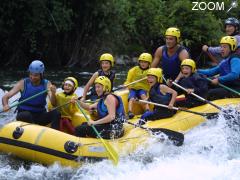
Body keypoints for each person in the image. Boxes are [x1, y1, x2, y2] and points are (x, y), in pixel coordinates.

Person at [2, 60, 60, 129]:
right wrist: (5, 105)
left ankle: (53, 134)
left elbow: (54, 104)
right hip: (24, 115)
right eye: (31, 74)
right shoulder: (23, 83)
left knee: (56, 113)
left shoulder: (47, 84)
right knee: (26, 115)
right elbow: (5, 97)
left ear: (41, 74)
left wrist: (53, 93)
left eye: (36, 75)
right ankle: (35, 130)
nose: (32, 77)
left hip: (39, 115)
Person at [198, 36, 240, 100]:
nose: (222, 49)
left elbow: (235, 74)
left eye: (225, 47)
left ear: (232, 48)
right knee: (204, 82)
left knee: (211, 93)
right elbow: (211, 72)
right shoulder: (224, 61)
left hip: (235, 89)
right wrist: (196, 70)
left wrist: (219, 79)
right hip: (226, 86)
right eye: (221, 46)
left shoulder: (235, 59)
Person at [124, 53, 152, 119]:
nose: (143, 64)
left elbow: (153, 81)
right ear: (139, 62)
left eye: (145, 62)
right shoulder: (134, 70)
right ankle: (130, 111)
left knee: (143, 95)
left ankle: (147, 110)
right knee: (131, 98)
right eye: (141, 62)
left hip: (143, 89)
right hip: (133, 88)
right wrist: (127, 84)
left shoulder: (150, 71)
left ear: (149, 63)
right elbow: (128, 80)